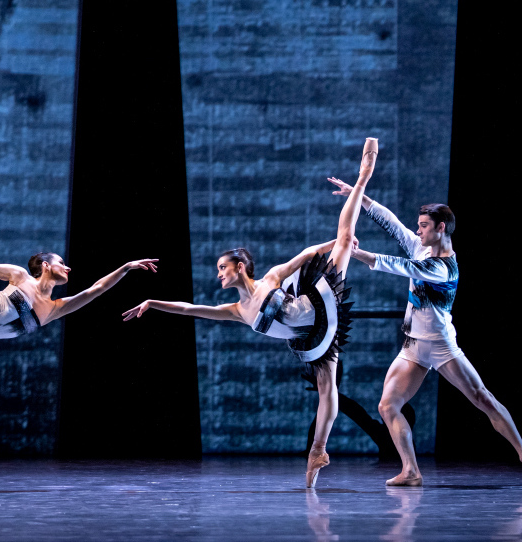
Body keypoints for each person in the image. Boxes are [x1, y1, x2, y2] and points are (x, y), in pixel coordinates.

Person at [123, 138, 379, 487]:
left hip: (317, 304)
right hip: (311, 336)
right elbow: (192, 309)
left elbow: (303, 257)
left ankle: (363, 176)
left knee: (346, 237)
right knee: (325, 386)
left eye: (222, 268)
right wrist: (154, 303)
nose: (219, 274)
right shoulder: (236, 310)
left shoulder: (270, 278)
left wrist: (330, 246)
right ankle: (318, 451)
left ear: (240, 266)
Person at [0, 141, 158, 488]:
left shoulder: (55, 308)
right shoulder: (20, 275)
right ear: (44, 265)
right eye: (61, 262)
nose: (67, 267)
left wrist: (126, 268)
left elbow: (95, 290)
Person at [326, 178, 522, 486]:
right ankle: (411, 471)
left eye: (424, 226)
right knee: (387, 405)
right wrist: (358, 195)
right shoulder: (421, 246)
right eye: (418, 226)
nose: (418, 231)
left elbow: (399, 266)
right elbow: (390, 223)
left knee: (483, 398)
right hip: (413, 346)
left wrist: (354, 253)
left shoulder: (444, 268)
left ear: (441, 228)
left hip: (441, 345)